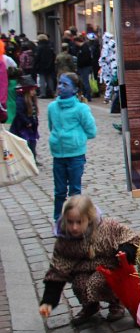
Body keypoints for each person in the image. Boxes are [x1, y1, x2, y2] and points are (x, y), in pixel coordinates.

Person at [38, 195, 139, 326]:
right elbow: (58, 268)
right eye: (70, 222)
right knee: (79, 284)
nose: (74, 227)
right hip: (84, 269)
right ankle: (90, 306)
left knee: (97, 282)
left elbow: (129, 236)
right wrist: (48, 300)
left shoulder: (107, 228)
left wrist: (126, 250)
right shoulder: (65, 240)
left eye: (79, 222)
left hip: (110, 267)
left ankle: (116, 302)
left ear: (89, 219)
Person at [49, 73, 96, 221]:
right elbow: (51, 126)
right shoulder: (52, 107)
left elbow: (91, 131)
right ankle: (58, 220)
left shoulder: (81, 109)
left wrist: (76, 138)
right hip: (58, 155)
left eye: (65, 84)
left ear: (75, 89)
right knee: (59, 191)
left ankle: (76, 219)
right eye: (59, 83)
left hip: (75, 156)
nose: (60, 87)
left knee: (75, 191)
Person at [11, 74, 40, 163]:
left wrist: (34, 122)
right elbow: (20, 113)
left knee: (33, 143)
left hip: (32, 127)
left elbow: (34, 113)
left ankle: (33, 159)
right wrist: (27, 122)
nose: (34, 92)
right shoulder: (21, 100)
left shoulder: (32, 100)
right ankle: (26, 160)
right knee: (25, 144)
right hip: (23, 127)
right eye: (32, 90)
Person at [98, 30, 118, 104]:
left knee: (109, 82)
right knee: (114, 81)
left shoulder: (106, 46)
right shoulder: (114, 45)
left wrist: (102, 65)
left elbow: (104, 57)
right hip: (112, 65)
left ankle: (108, 97)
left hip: (108, 66)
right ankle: (114, 96)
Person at [74, 33, 95, 99]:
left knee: (85, 81)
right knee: (84, 81)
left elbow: (86, 58)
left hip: (85, 67)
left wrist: (80, 64)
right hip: (83, 67)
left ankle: (88, 95)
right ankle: (86, 95)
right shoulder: (82, 47)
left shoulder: (84, 48)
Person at [34, 34, 56, 98]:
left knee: (42, 80)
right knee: (50, 79)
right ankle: (52, 92)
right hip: (50, 66)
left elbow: (37, 57)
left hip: (41, 66)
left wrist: (35, 65)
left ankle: (43, 93)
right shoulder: (50, 47)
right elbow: (53, 56)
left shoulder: (39, 47)